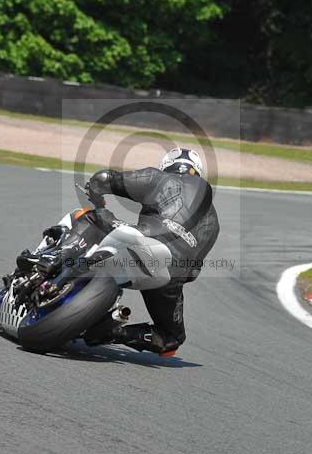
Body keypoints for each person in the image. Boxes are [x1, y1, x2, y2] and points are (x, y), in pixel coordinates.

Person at [83, 147, 220, 356]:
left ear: (167, 166)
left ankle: (51, 260)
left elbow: (104, 179)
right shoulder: (213, 222)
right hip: (169, 273)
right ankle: (113, 331)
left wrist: (98, 201)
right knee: (171, 340)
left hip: (141, 239)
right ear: (197, 171)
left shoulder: (159, 178)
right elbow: (192, 273)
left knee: (86, 217)